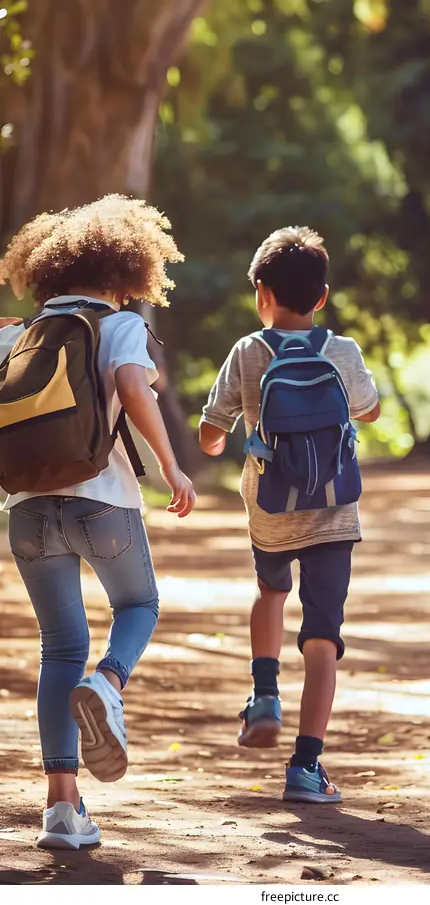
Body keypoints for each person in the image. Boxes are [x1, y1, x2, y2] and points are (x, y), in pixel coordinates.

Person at [0, 196, 196, 849]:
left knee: (59, 647)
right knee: (139, 602)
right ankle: (108, 684)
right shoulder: (118, 325)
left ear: (47, 274)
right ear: (125, 276)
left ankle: (60, 811)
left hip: (25, 511)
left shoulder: (14, 336)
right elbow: (136, 392)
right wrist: (173, 469)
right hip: (101, 501)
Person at [200, 226, 380, 803]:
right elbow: (370, 411)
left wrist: (216, 440)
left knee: (270, 592)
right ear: (321, 297)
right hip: (334, 507)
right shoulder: (343, 351)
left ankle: (265, 694)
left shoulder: (247, 352)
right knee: (324, 634)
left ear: (261, 293)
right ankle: (306, 767)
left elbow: (210, 433)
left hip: (271, 509)